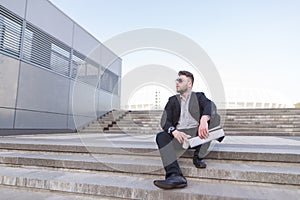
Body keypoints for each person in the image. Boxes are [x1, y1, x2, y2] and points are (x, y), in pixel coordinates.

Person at [153, 70, 222, 189]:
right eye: (176, 80)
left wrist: (204, 119)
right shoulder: (172, 100)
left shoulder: (199, 96)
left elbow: (210, 105)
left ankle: (198, 156)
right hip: (179, 136)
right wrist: (174, 131)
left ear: (189, 84)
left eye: (180, 80)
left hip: (198, 136)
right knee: (161, 136)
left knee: (216, 119)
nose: (177, 82)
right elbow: (164, 120)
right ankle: (175, 175)